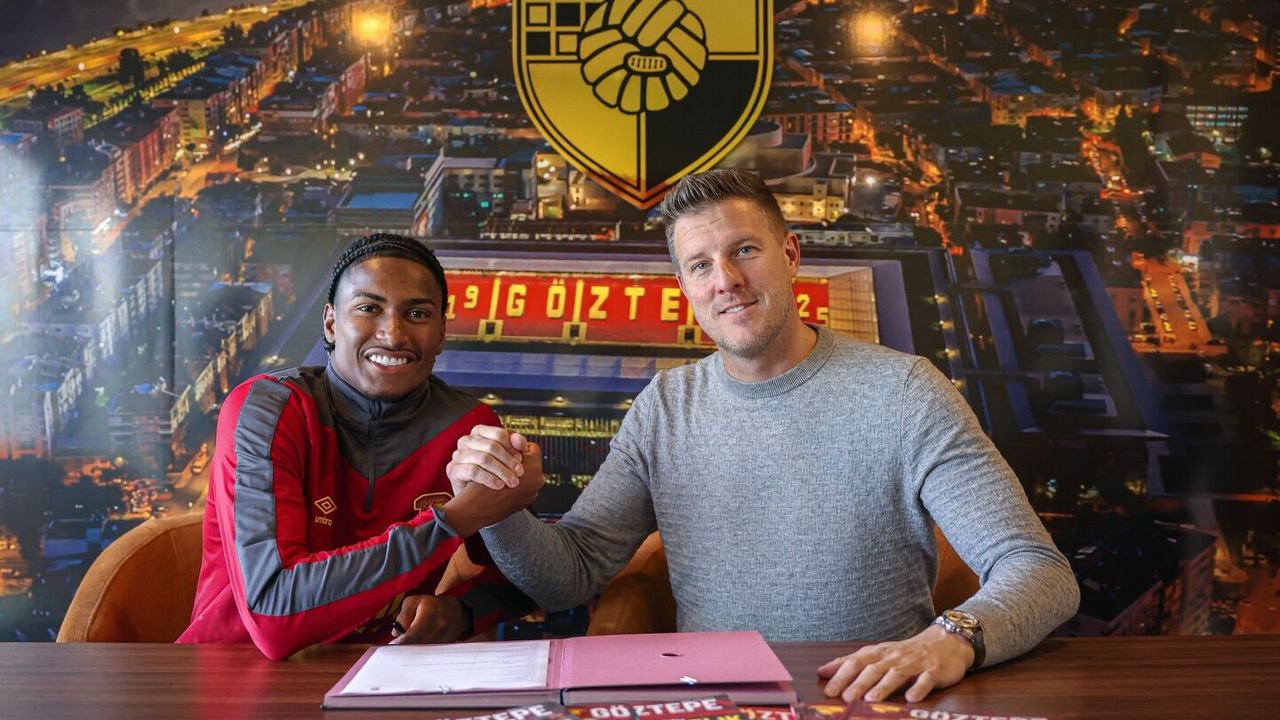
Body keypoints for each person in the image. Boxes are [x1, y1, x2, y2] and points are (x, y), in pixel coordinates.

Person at [446, 170, 1080, 702]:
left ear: (791, 255)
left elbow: (1041, 572)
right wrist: (495, 505)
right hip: (712, 704)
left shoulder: (905, 392)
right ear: (685, 288)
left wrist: (954, 639)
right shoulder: (665, 407)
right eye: (701, 265)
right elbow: (569, 575)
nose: (726, 279)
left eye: (744, 250)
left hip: (862, 702)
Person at [178, 233, 542, 660]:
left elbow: (524, 579)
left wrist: (458, 612)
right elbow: (274, 614)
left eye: (418, 313)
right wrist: (452, 521)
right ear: (331, 324)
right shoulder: (268, 410)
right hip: (232, 672)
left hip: (377, 678)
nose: (393, 334)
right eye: (369, 308)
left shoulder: (468, 429)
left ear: (442, 333)